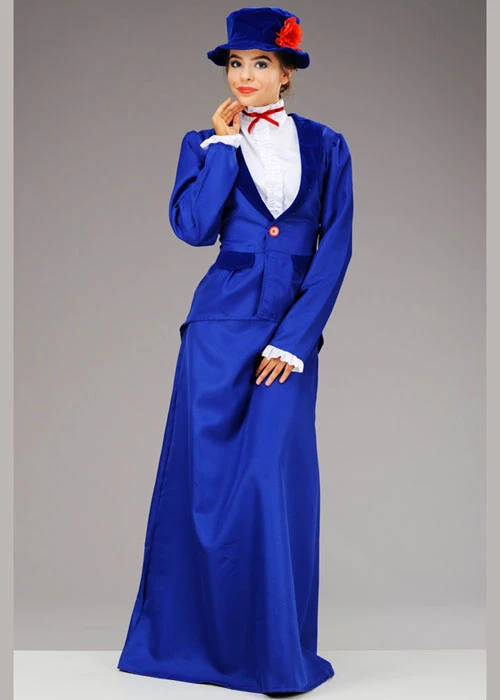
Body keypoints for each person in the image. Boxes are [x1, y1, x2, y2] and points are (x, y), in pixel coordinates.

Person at [117, 5, 353, 694]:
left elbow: (335, 248)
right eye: (235, 64)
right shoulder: (203, 142)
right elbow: (193, 229)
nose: (245, 76)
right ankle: (187, 648)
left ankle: (276, 657)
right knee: (204, 487)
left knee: (270, 482)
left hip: (287, 337)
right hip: (218, 331)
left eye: (260, 64)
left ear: (286, 73)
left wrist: (296, 339)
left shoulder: (328, 145)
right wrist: (221, 149)